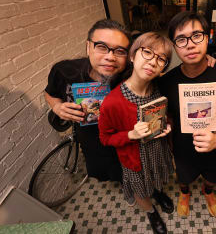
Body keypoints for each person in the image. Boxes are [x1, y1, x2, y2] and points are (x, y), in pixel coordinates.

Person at [158, 11, 216, 218]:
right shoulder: (166, 82)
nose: (189, 44)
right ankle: (184, 193)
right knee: (184, 176)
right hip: (181, 146)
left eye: (196, 35)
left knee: (213, 176)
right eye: (181, 39)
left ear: (208, 36)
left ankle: (207, 191)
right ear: (174, 45)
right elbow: (165, 116)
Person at [98, 32, 174, 234]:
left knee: (157, 177)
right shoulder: (112, 102)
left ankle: (158, 194)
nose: (153, 62)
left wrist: (167, 125)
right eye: (147, 52)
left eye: (161, 59)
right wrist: (130, 135)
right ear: (132, 55)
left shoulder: (158, 89)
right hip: (134, 159)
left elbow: (167, 114)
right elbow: (105, 138)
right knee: (140, 189)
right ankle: (151, 212)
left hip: (157, 150)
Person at [44, 19, 131, 183]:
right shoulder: (65, 72)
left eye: (120, 51)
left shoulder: (130, 75)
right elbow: (49, 93)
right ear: (88, 47)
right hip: (91, 141)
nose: (110, 57)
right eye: (102, 47)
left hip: (124, 139)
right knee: (106, 171)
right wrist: (56, 105)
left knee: (131, 170)